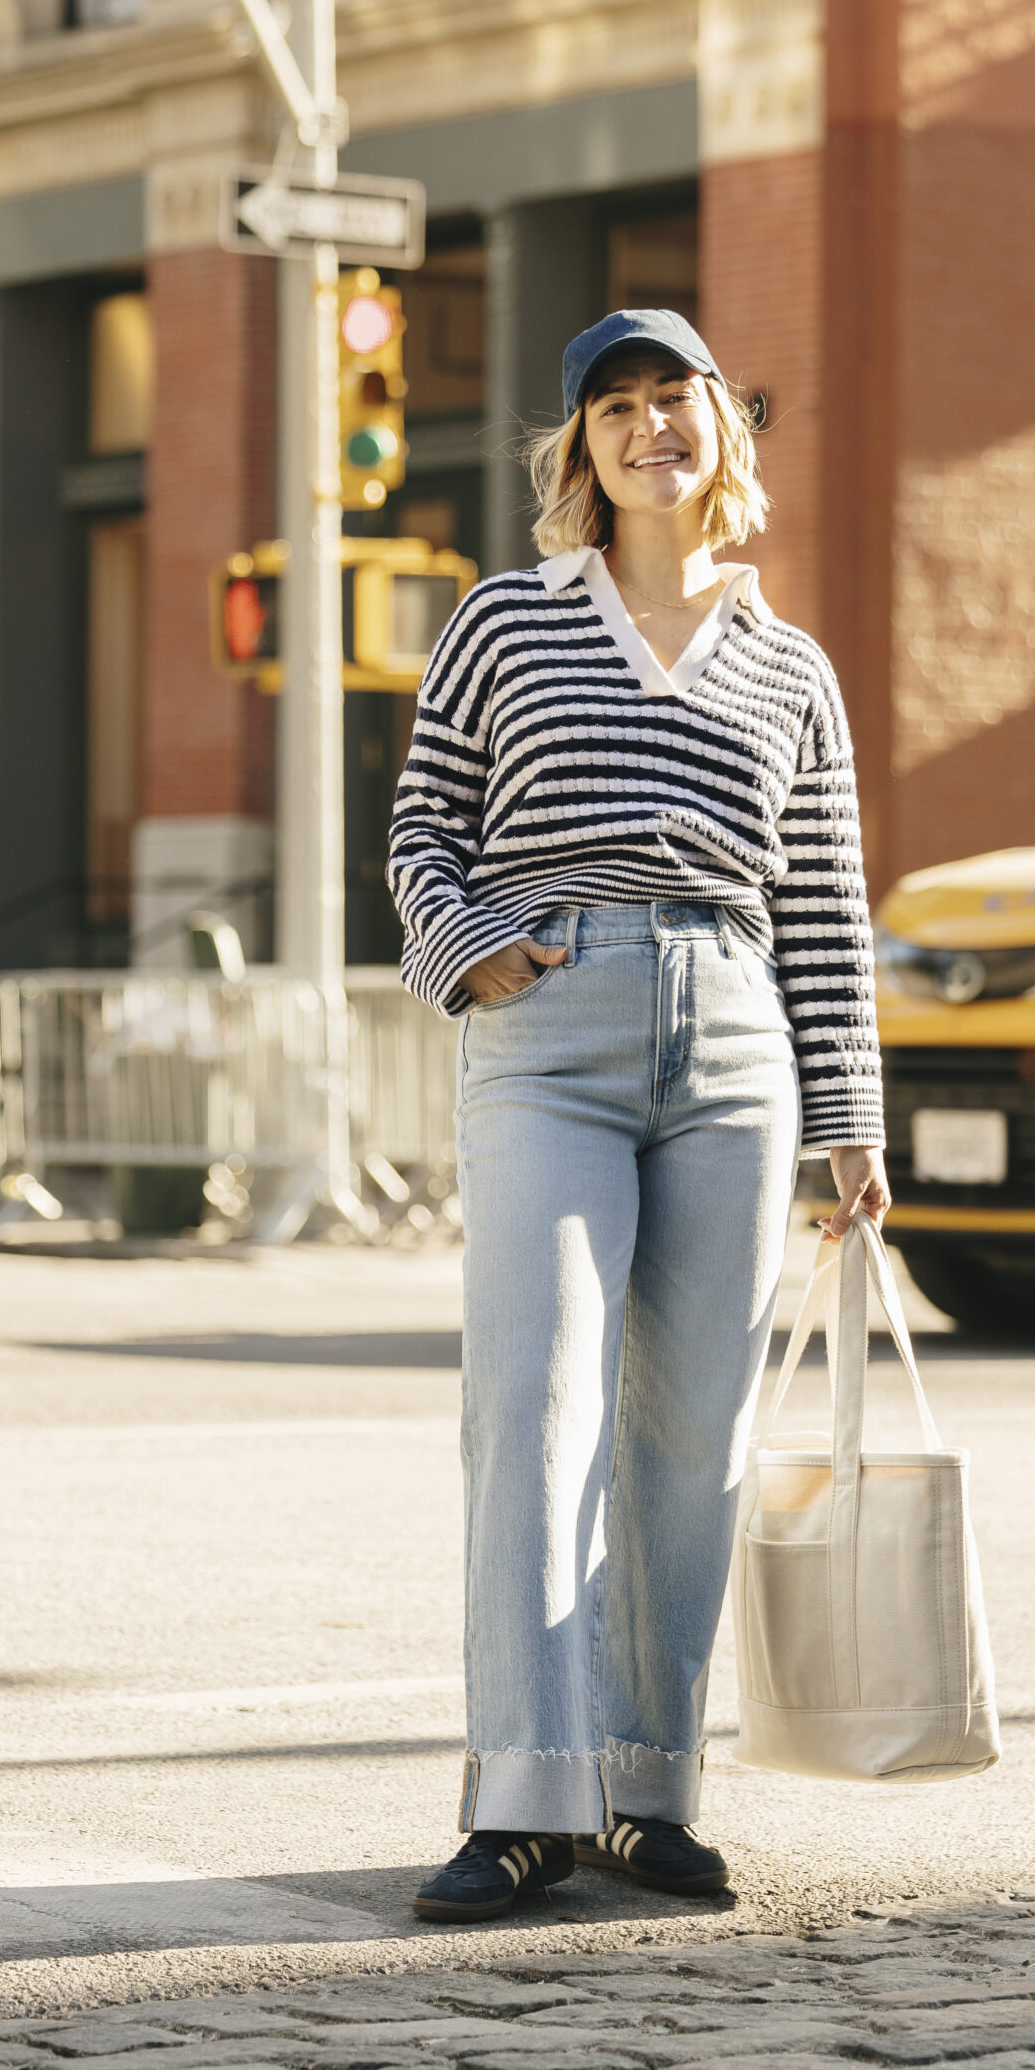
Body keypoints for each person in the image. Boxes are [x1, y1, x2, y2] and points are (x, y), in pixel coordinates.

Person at [387, 307, 889, 1922]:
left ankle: (646, 1788)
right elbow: (420, 833)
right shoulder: (503, 626)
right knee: (534, 1401)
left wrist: (850, 1119)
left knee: (693, 1433)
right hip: (554, 1025)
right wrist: (473, 959)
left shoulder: (791, 667)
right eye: (614, 405)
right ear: (580, 450)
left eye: (673, 398)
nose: (646, 425)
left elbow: (822, 907)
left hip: (737, 1034)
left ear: (721, 431)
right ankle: (525, 1798)